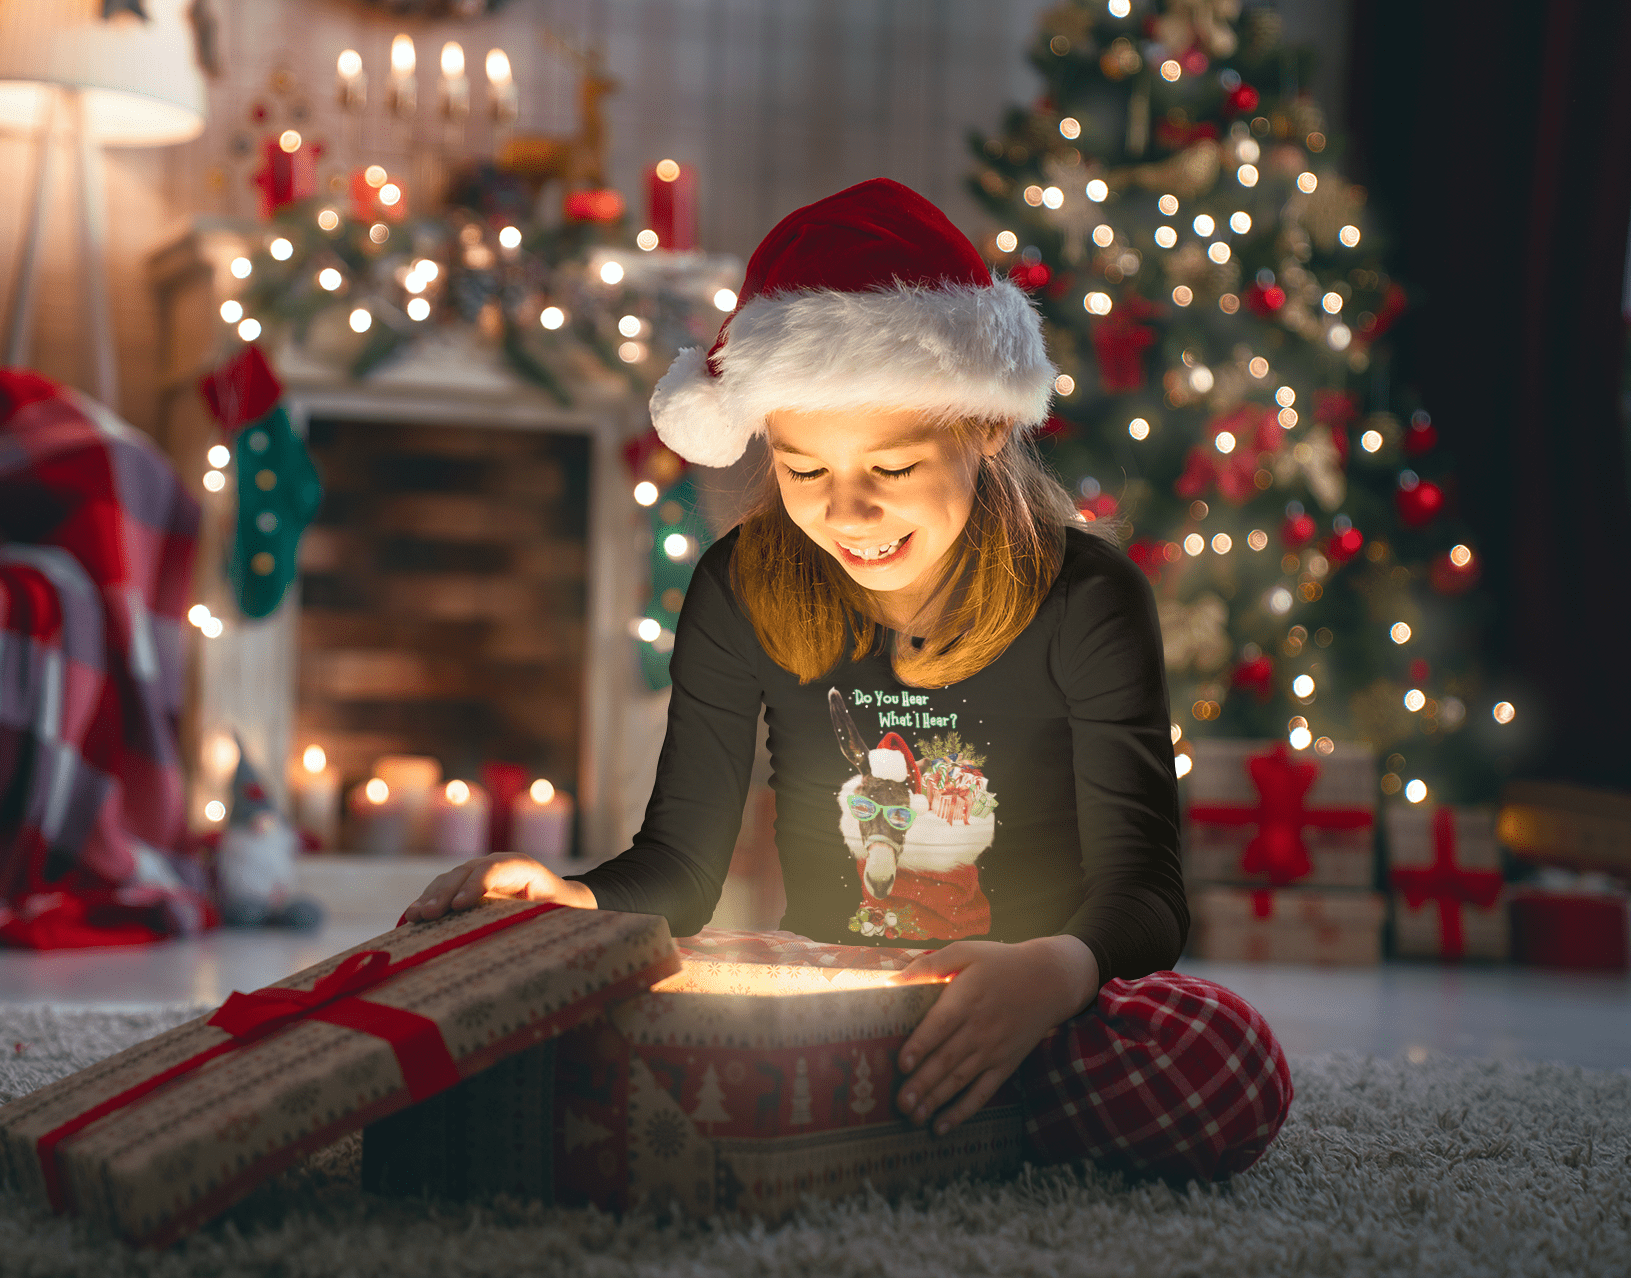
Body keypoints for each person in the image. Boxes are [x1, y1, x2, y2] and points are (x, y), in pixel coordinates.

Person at [405, 178, 1290, 1181]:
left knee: (1219, 1057)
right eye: (805, 471)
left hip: (1026, 1002)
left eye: (895, 469)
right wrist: (570, 897)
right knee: (571, 1024)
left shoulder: (1087, 596)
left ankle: (868, 1124)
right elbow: (680, 875)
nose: (851, 513)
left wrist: (1059, 968)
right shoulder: (737, 591)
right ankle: (919, 1127)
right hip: (824, 999)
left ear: (984, 428)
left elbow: (1145, 892)